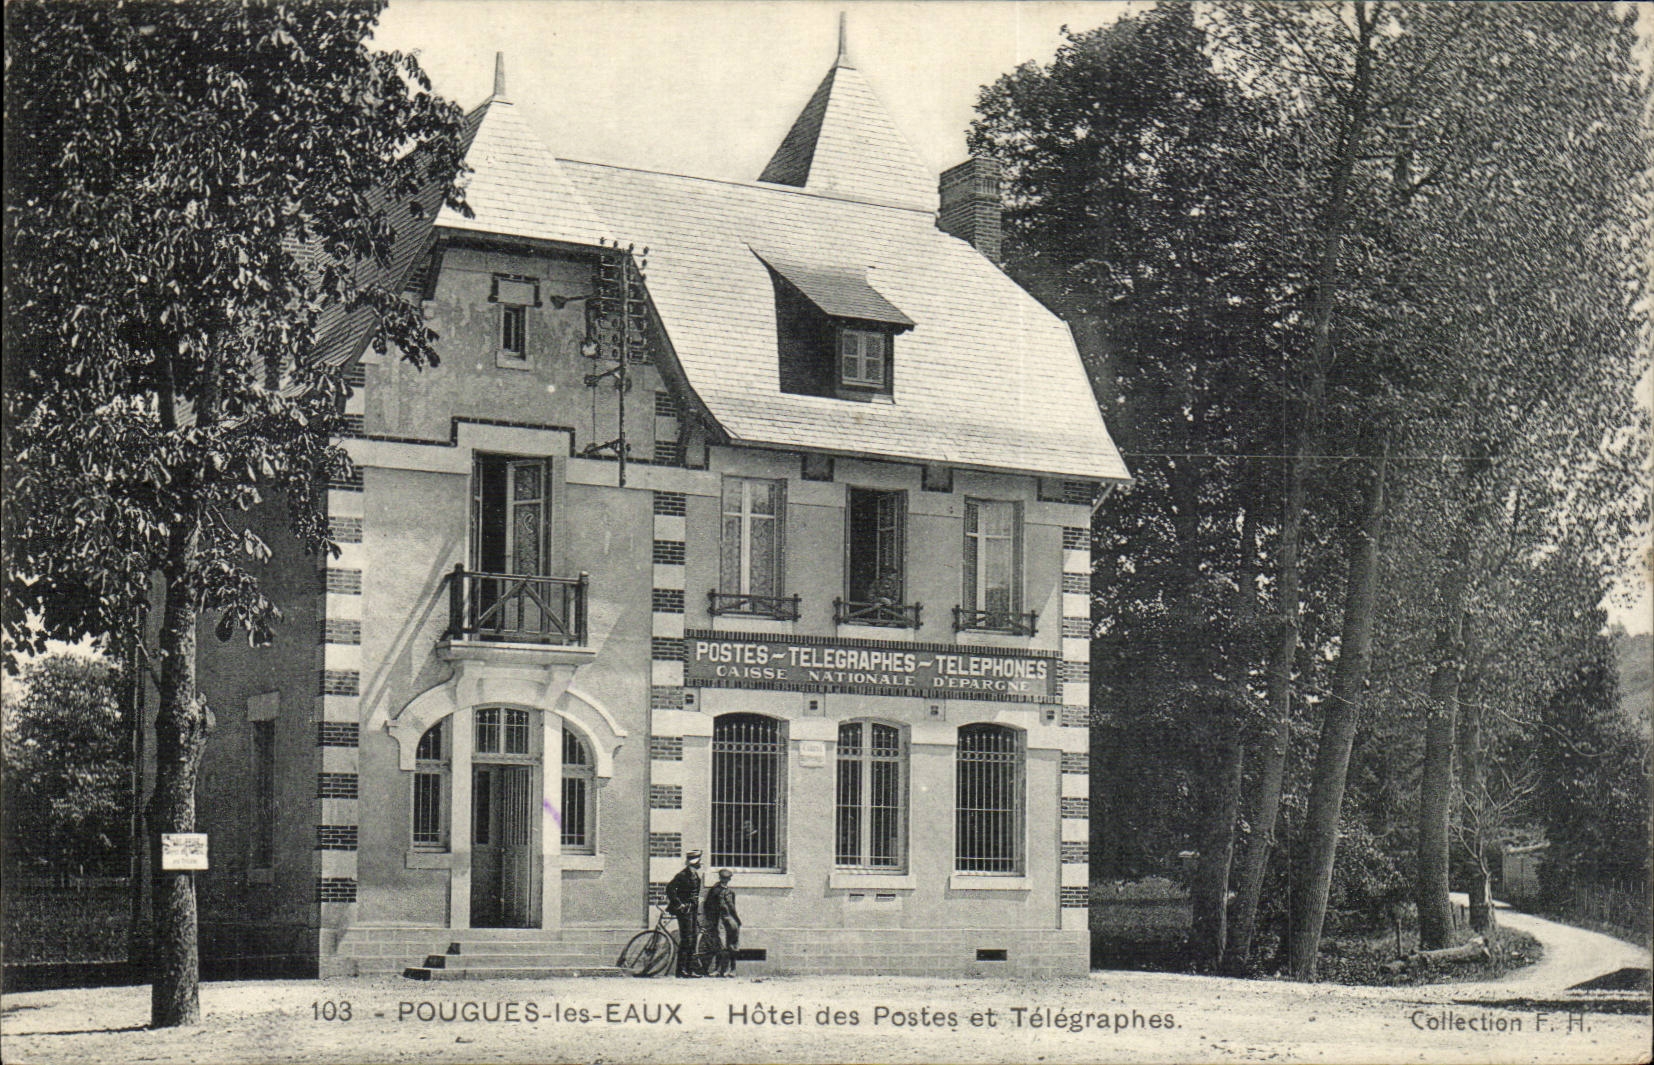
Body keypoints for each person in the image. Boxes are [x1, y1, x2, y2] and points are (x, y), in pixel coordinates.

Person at [665, 850, 703, 977]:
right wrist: (679, 904)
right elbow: (670, 889)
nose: (700, 863)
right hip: (684, 911)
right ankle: (681, 970)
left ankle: (689, 969)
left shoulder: (695, 875)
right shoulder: (682, 875)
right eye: (699, 861)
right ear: (694, 862)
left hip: (692, 911)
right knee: (686, 939)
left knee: (692, 940)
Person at [702, 868, 741, 977]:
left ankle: (732, 969)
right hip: (719, 920)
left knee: (733, 944)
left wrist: (737, 921)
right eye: (723, 878)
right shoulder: (715, 890)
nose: (725, 880)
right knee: (721, 944)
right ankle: (718, 969)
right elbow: (707, 906)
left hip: (731, 919)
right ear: (720, 878)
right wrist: (711, 920)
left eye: (727, 878)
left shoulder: (730, 892)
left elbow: (733, 907)